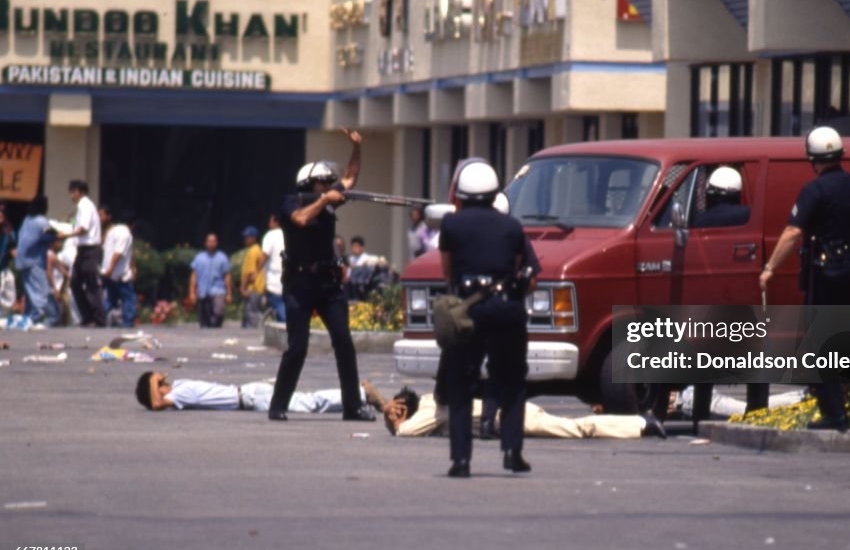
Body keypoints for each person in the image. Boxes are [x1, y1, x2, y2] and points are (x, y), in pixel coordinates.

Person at [759, 126, 850, 431]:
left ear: (813, 160)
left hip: (830, 273)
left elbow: (793, 232)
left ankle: (835, 415)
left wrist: (771, 267)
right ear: (840, 155)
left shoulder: (814, 191)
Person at [268, 128, 375, 423]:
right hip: (299, 284)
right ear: (307, 184)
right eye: (323, 181)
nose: (329, 184)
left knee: (343, 341)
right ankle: (278, 404)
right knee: (297, 348)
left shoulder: (327, 200)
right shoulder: (291, 202)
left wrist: (357, 148)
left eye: (330, 181)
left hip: (328, 284)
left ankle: (353, 406)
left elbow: (350, 178)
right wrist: (325, 200)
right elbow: (301, 220)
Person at [438, 160, 536, 478]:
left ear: (461, 194)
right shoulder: (512, 226)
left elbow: (447, 270)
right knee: (512, 380)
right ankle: (512, 452)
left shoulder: (451, 225)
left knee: (461, 382)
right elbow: (524, 269)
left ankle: (462, 460)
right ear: (494, 193)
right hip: (507, 307)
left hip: (470, 308)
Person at [378, 386, 667, 440]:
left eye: (394, 414)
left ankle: (642, 423)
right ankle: (641, 422)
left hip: (515, 417)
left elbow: (406, 431)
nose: (392, 423)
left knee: (579, 429)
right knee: (576, 427)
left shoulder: (432, 409)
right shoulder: (431, 403)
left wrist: (393, 417)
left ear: (403, 409)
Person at [135, 371, 369, 413]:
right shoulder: (180, 390)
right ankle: (357, 395)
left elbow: (156, 404)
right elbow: (156, 402)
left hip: (251, 397)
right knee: (306, 402)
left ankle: (360, 393)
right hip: (249, 394)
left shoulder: (180, 392)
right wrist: (153, 380)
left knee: (307, 404)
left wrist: (153, 381)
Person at [60, 180, 105, 326]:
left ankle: (98, 318)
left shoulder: (85, 206)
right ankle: (87, 317)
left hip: (89, 249)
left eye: (74, 192)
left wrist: (66, 234)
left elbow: (83, 229)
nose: (71, 196)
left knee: (91, 283)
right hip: (83, 249)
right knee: (75, 282)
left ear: (81, 192)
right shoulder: (81, 207)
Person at [14, 196, 56, 326]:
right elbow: (53, 235)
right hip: (34, 262)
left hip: (22, 261)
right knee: (41, 291)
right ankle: (46, 317)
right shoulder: (42, 221)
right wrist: (71, 225)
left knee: (29, 291)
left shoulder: (26, 220)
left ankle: (31, 317)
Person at [99, 206, 136, 328]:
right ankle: (128, 323)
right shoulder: (125, 234)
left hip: (108, 272)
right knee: (128, 299)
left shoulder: (112, 231)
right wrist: (111, 269)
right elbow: (118, 253)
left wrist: (106, 270)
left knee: (110, 299)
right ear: (133, 223)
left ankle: (101, 319)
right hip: (119, 274)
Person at [189, 233, 232, 328]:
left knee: (218, 312)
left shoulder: (222, 257)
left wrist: (229, 293)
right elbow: (194, 275)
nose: (211, 243)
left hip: (218, 290)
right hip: (203, 291)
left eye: (214, 241)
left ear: (217, 243)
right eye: (209, 241)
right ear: (205, 243)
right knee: (204, 321)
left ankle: (216, 329)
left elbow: (227, 276)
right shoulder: (199, 258)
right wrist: (192, 292)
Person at [258, 214, 286, 322]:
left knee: (277, 303)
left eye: (270, 221)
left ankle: (285, 325)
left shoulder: (270, 235)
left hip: (274, 278)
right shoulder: (288, 233)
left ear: (276, 222)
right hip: (289, 276)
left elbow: (265, 255)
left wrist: (256, 272)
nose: (269, 224)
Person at [239, 226, 265, 328]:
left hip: (252, 288)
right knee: (253, 312)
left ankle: (252, 336)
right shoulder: (258, 250)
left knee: (251, 314)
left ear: (254, 238)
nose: (245, 239)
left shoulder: (253, 251)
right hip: (258, 288)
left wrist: (243, 287)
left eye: (247, 237)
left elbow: (249, 273)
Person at [46, 239, 67, 326]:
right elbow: (49, 274)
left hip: (55, 289)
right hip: (52, 290)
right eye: (58, 241)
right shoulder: (50, 255)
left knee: (57, 315)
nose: (60, 243)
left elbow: (63, 271)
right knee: (54, 316)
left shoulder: (52, 255)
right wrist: (55, 289)